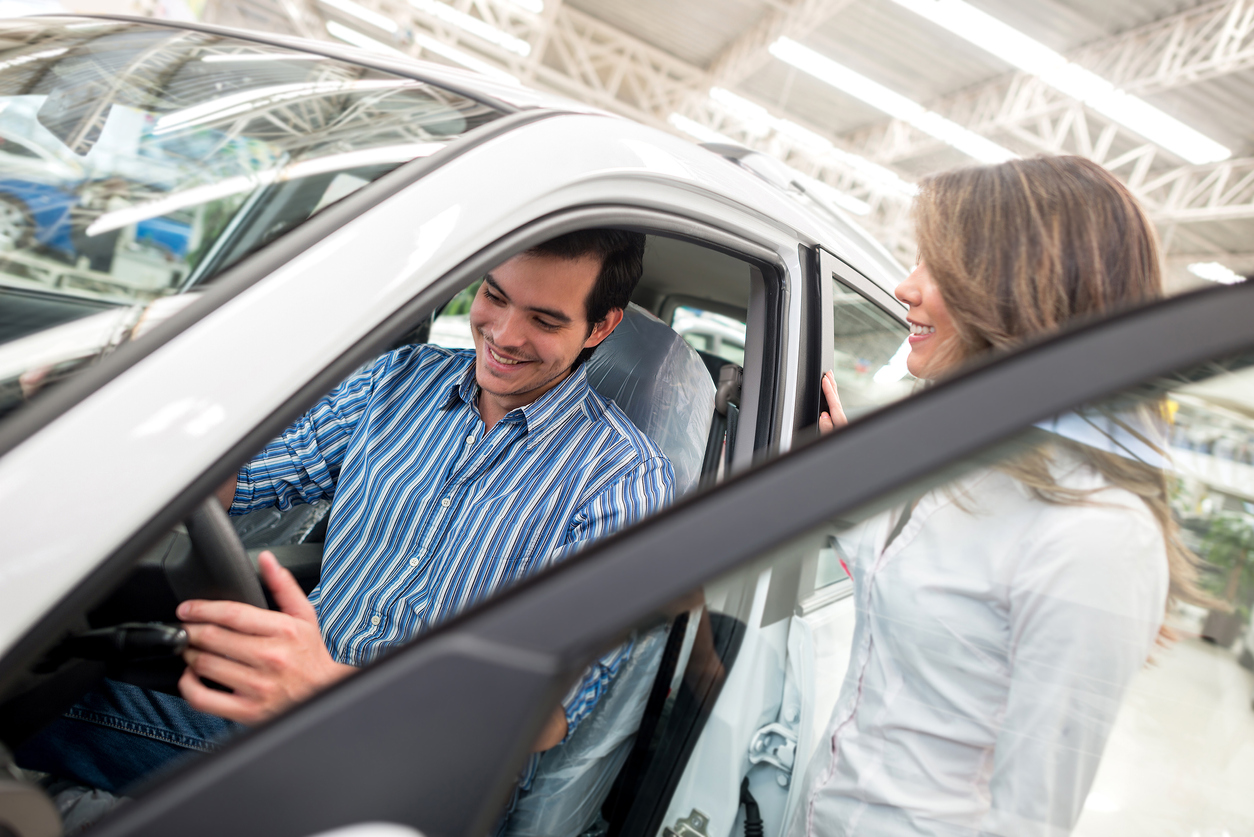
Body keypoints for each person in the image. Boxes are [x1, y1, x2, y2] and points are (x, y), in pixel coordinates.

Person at [18, 229, 675, 800]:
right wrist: (112, 416)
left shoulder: (623, 480)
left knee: (28, 695)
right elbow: (243, 479)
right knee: (55, 662)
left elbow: (548, 712)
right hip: (285, 702)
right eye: (495, 296)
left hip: (421, 771)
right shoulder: (401, 381)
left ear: (600, 327)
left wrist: (327, 686)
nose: (504, 334)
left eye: (544, 320)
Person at [795, 156, 1208, 836]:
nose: (905, 287)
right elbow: (915, 577)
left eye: (937, 267)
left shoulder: (1098, 533)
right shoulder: (955, 464)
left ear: (1019, 294)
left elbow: (1030, 819)